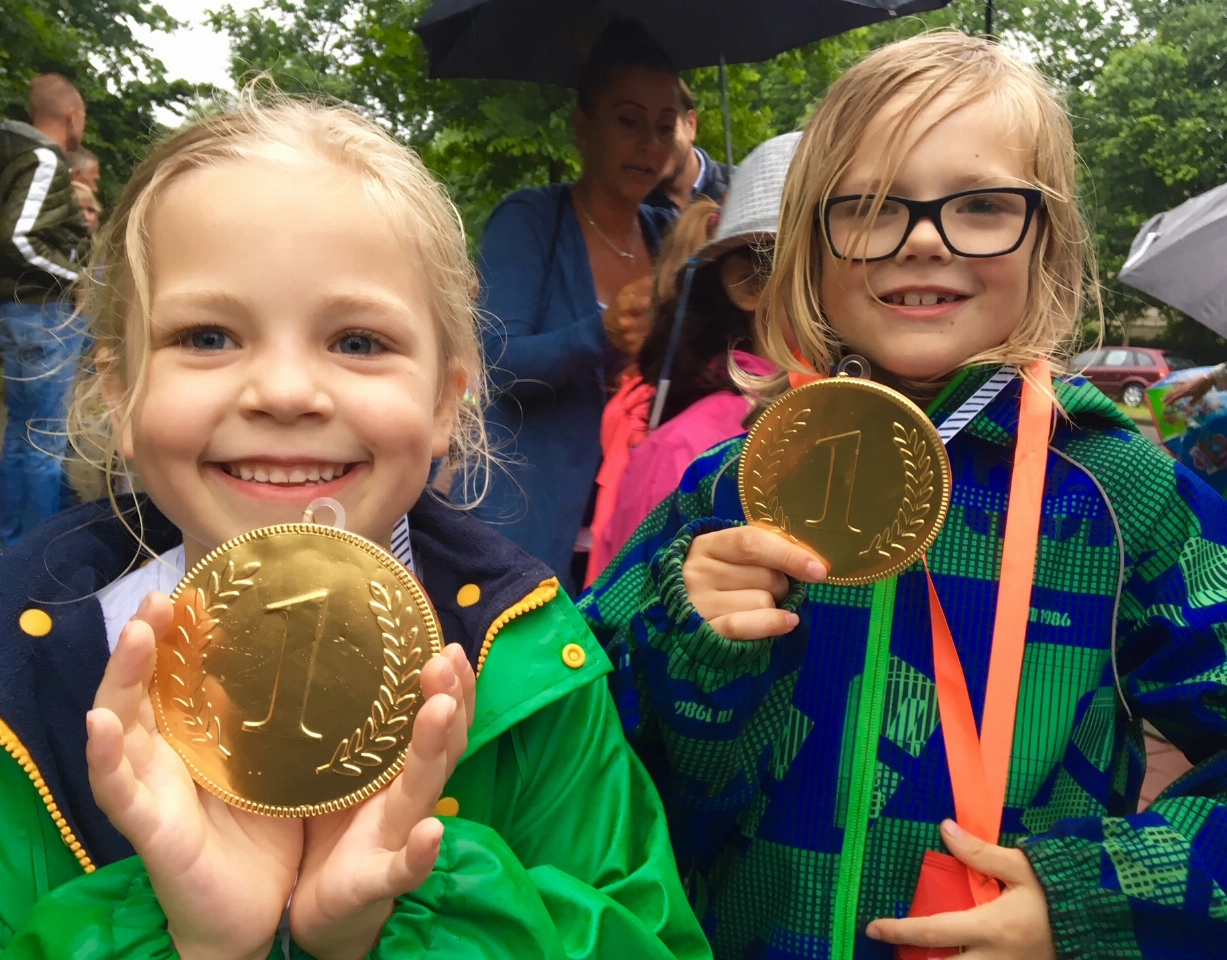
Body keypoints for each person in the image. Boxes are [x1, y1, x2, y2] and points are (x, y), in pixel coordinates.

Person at [580, 31, 1227, 960]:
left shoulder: (1130, 497)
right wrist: (686, 640)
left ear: (1050, 240)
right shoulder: (731, 488)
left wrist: (1098, 902)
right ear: (809, 249)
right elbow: (581, 747)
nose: (920, 236)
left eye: (984, 205)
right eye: (870, 207)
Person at [0, 89, 711, 960]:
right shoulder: (19, 668)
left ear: (447, 400)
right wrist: (193, 939)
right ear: (119, 388)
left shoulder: (530, 660)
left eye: (360, 342)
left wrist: (398, 923)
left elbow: (644, 934)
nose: (288, 393)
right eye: (210, 336)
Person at [466, 19, 682, 589]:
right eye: (629, 121)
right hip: (526, 522)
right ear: (583, 126)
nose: (648, 146)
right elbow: (497, 363)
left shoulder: (671, 236)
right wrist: (601, 332)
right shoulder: (531, 219)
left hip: (638, 525)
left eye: (665, 127)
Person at [588, 132, 800, 584]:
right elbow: (627, 622)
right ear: (748, 284)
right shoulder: (689, 451)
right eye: (820, 267)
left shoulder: (872, 416)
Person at [0, 73, 90, 543]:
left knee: (24, 433)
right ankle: (30, 550)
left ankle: (19, 536)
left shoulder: (11, 153)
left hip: (20, 311)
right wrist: (77, 277)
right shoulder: (40, 157)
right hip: (40, 312)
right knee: (42, 440)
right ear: (71, 116)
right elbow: (17, 235)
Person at [644, 80, 732, 214]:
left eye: (665, 127)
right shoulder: (632, 207)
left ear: (691, 124)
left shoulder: (739, 188)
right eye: (635, 127)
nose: (652, 143)